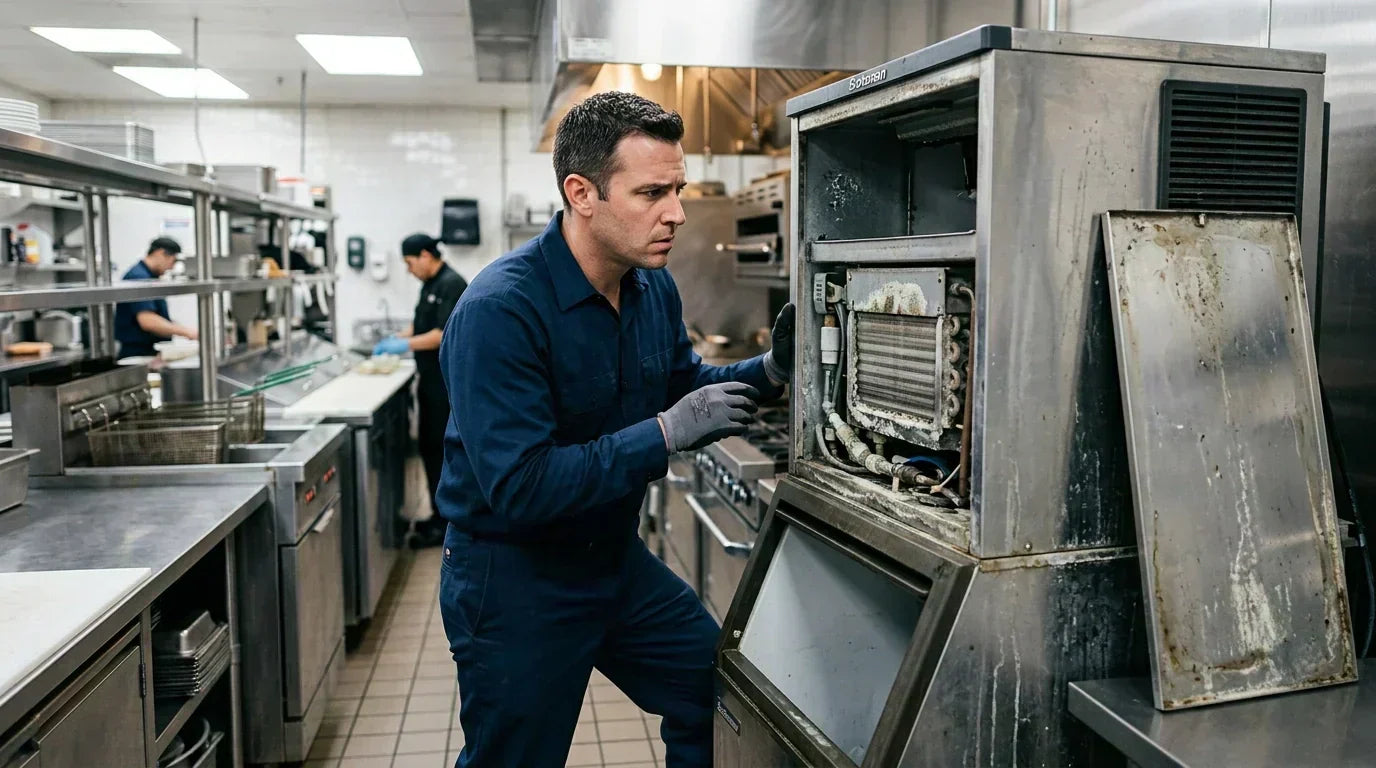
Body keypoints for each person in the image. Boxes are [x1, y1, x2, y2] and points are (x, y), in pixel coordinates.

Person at [435, 91, 795, 768]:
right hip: (516, 576)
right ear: (582, 192)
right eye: (652, 192)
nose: (678, 213)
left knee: (709, 687)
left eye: (679, 189)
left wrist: (770, 370)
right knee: (516, 758)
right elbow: (521, 485)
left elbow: (683, 388)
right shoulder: (501, 311)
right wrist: (662, 434)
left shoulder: (650, 286)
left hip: (611, 559)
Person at [374, 234, 468, 548]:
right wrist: (396, 337)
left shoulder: (451, 283)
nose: (409, 270)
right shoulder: (431, 285)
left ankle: (445, 521)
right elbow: (423, 325)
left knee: (440, 451)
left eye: (410, 263)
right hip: (429, 381)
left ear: (426, 255)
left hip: (444, 385)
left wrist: (403, 345)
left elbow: (443, 333)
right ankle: (438, 515)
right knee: (430, 448)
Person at [114, 237, 198, 358]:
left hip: (146, 352)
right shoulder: (139, 277)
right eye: (173, 261)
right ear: (160, 253)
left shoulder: (148, 277)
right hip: (137, 354)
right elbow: (148, 321)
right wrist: (187, 332)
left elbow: (157, 316)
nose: (172, 267)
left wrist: (180, 328)